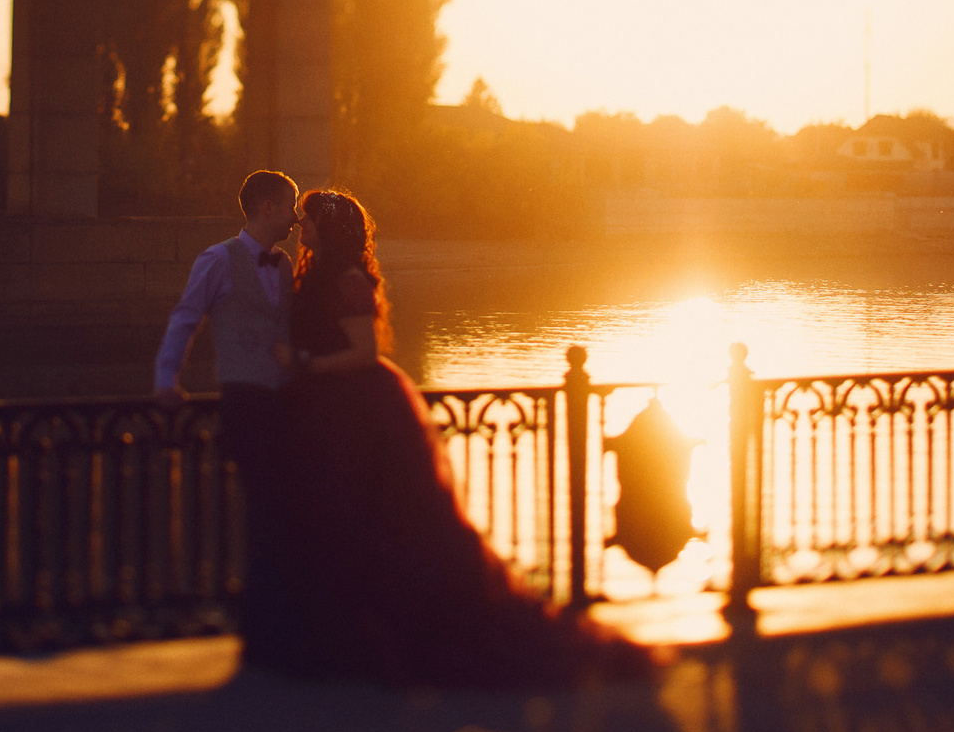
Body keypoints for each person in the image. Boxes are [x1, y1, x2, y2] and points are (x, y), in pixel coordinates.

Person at [259, 188, 658, 688]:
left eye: (310, 220)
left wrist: (304, 365)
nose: (302, 227)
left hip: (361, 412)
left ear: (330, 228)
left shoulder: (349, 280)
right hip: (328, 412)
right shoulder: (314, 276)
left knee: (382, 522)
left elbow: (363, 354)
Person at [154, 169, 304, 659]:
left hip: (284, 404)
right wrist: (165, 379)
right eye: (290, 206)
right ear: (266, 207)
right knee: (256, 506)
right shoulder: (217, 260)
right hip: (243, 397)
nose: (295, 217)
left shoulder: (285, 266)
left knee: (282, 509)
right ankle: (251, 617)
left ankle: (273, 615)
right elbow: (186, 317)